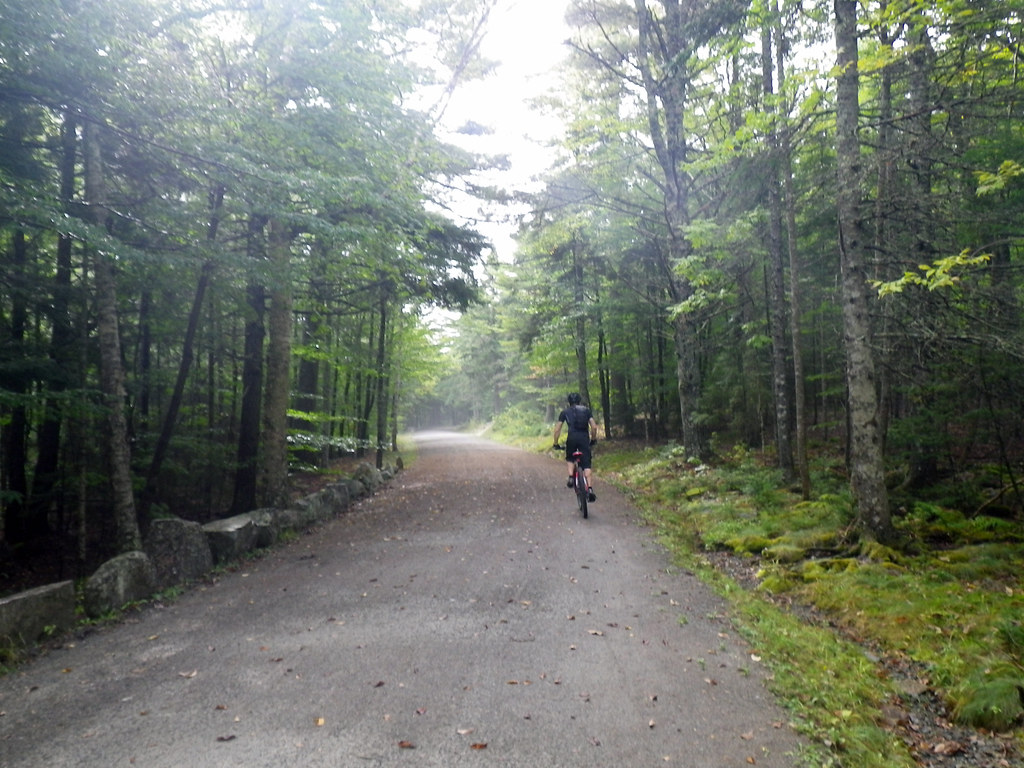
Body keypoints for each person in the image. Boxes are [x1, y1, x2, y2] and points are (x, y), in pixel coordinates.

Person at [552, 392, 598, 502]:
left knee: (570, 457)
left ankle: (571, 477)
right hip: (584, 438)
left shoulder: (565, 412)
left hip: (572, 437)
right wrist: (593, 439)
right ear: (579, 401)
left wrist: (555, 443)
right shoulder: (586, 410)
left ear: (569, 401)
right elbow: (594, 427)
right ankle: (590, 489)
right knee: (586, 464)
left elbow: (557, 429)